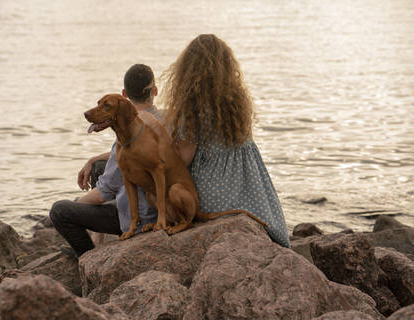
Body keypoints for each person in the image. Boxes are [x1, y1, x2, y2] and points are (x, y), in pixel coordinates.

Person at [161, 34, 290, 248]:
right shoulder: (237, 104)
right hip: (251, 194)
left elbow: (184, 158)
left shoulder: (191, 110)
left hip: (213, 196)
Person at [50, 64, 160, 259]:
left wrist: (76, 204)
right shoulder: (161, 118)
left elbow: (103, 194)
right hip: (158, 206)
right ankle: (96, 240)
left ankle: (89, 258)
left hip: (139, 217)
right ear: (155, 91)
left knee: (60, 211)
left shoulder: (133, 131)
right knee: (99, 167)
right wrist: (93, 159)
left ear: (124, 94)